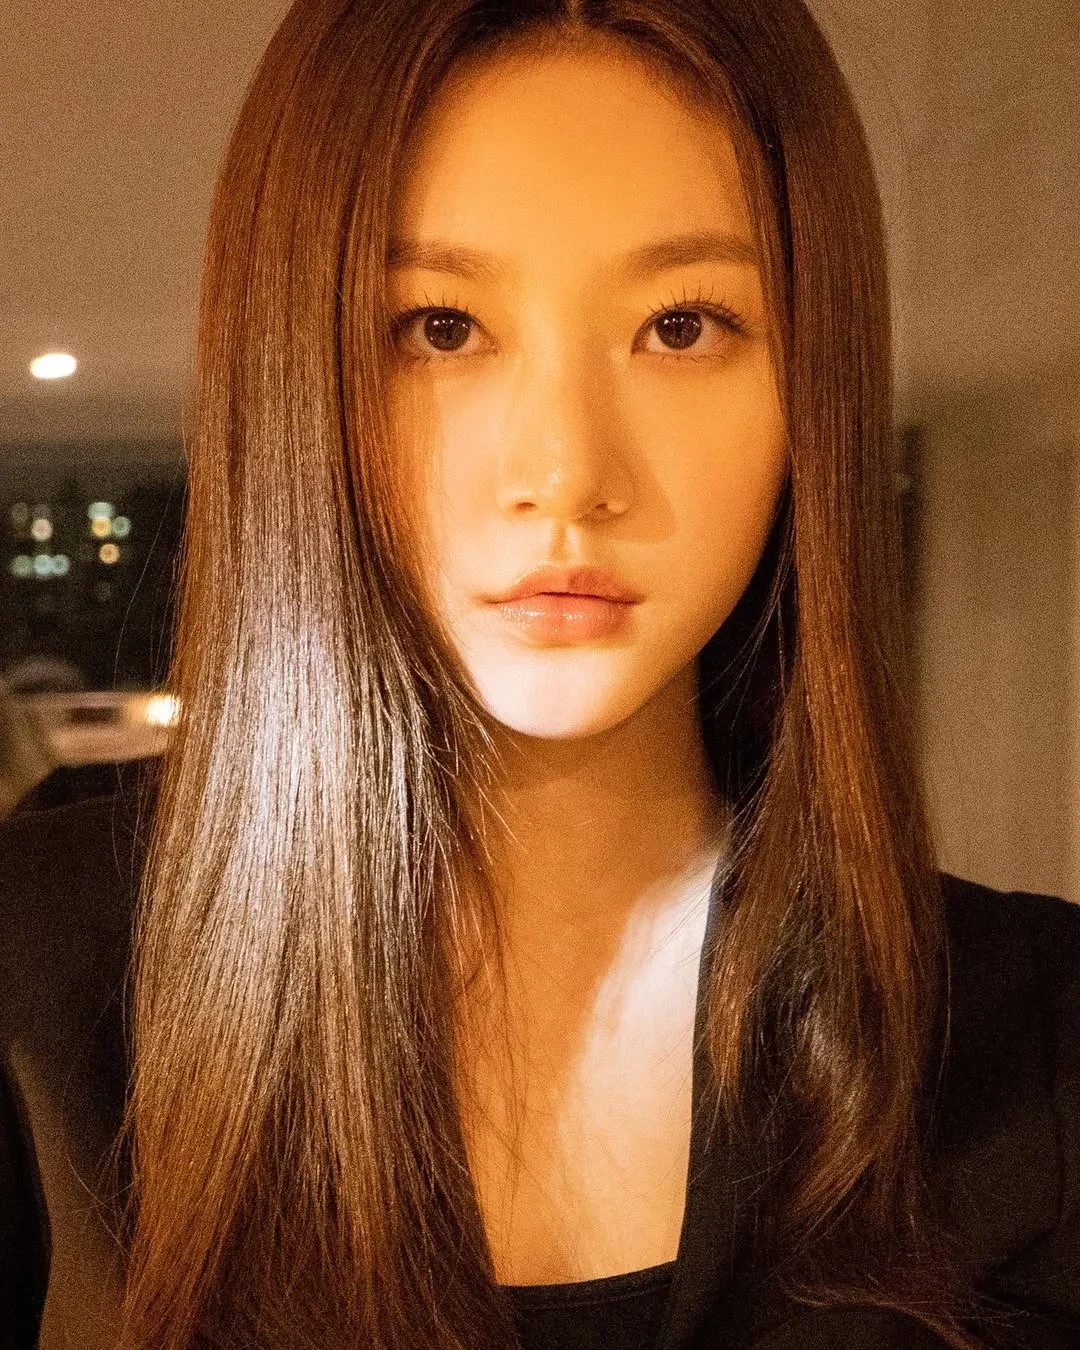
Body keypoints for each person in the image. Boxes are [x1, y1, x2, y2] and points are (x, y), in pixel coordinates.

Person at [1, 1, 1077, 1347]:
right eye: (440, 327)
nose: (567, 473)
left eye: (682, 325)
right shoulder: (37, 985)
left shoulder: (1040, 1042)